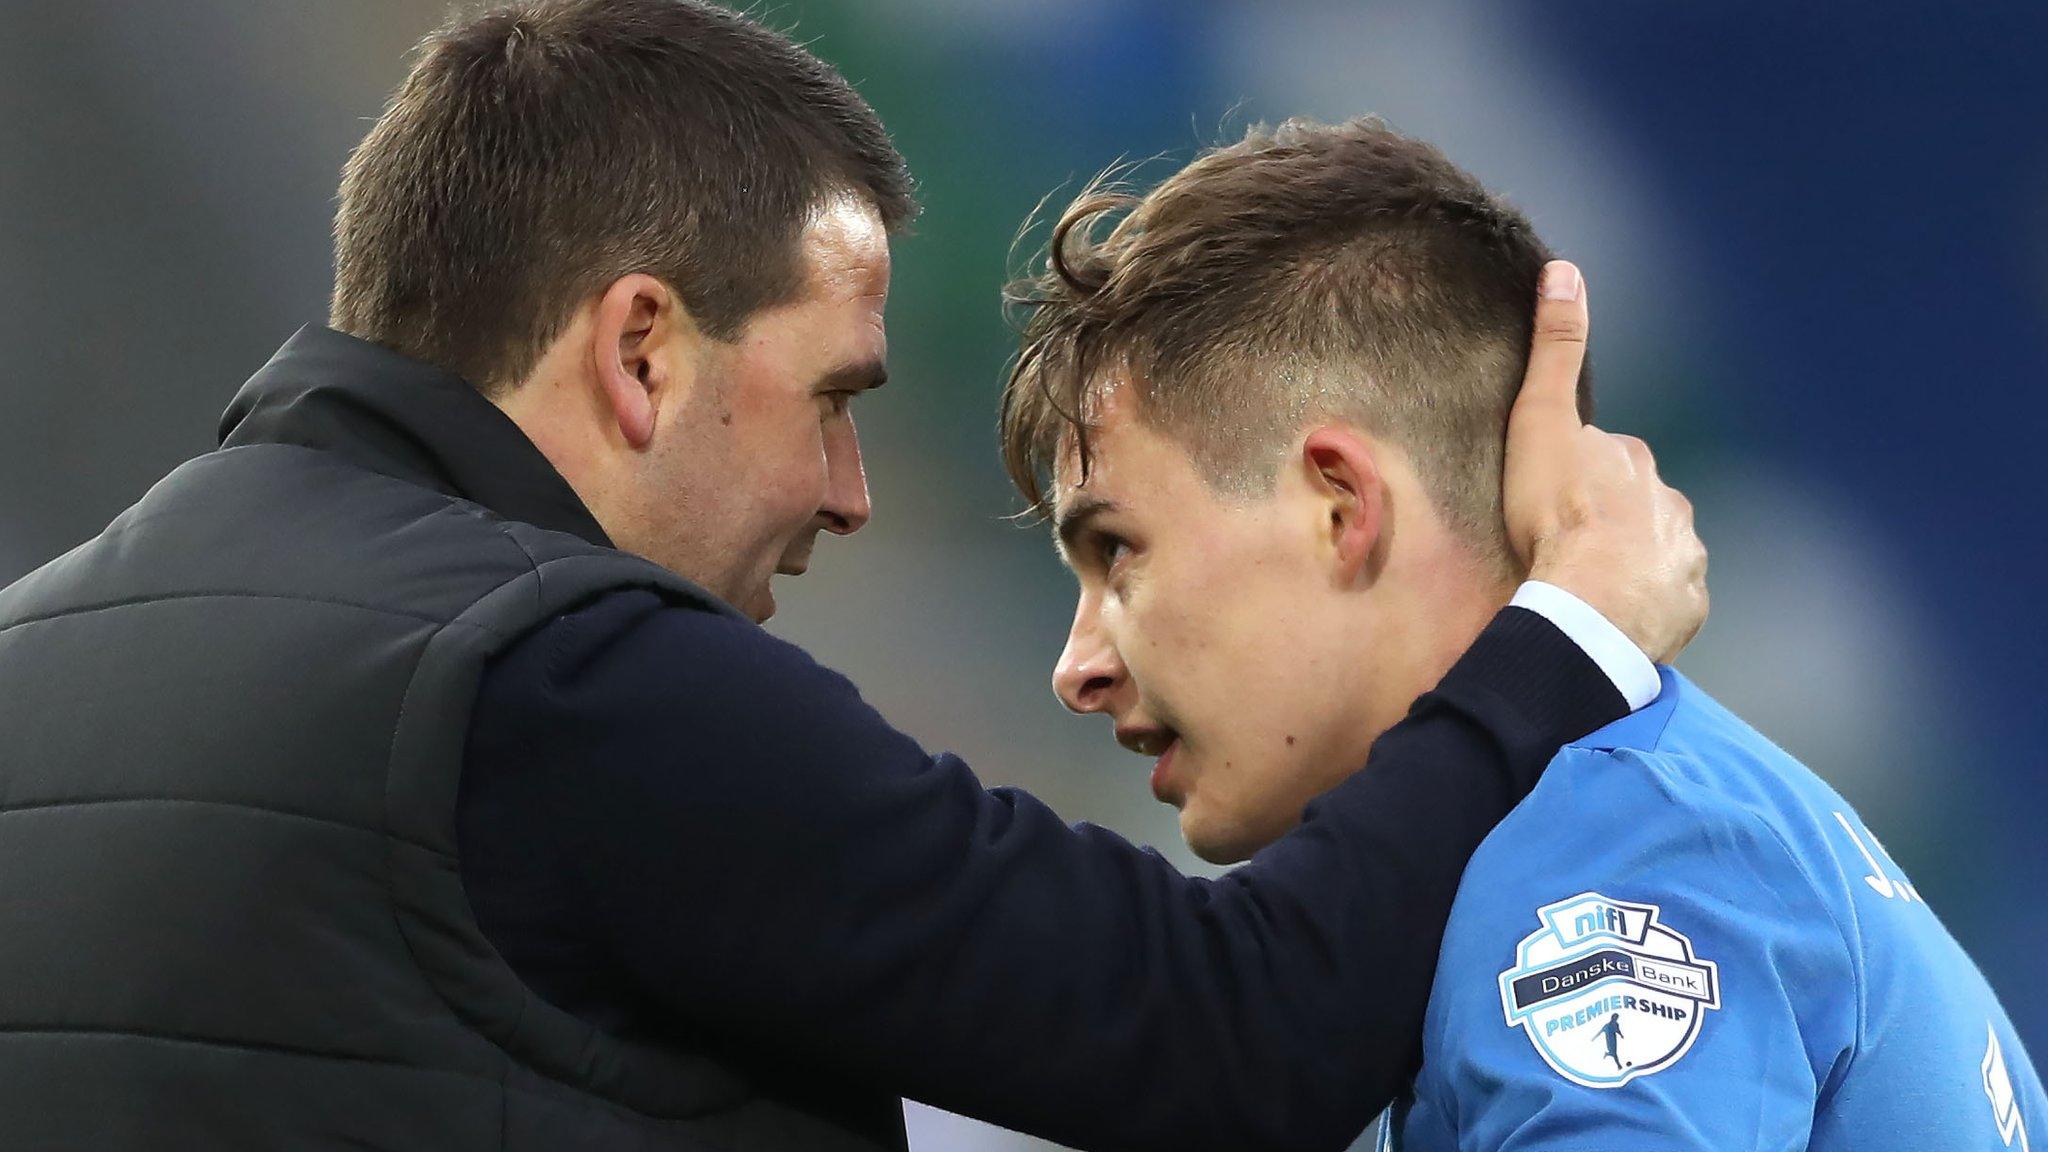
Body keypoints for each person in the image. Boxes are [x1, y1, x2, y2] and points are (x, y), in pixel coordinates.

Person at [0, 5, 1706, 1152]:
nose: (848, 492)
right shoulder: (571, 684)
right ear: (644, 351)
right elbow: (1229, 1031)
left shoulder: (32, 660)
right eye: (832, 396)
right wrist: (1557, 640)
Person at [1004, 115, 2044, 1150]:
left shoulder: (1606, 854)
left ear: (1338, 507)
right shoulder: (1618, 817)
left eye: (1116, 554)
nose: (1077, 668)